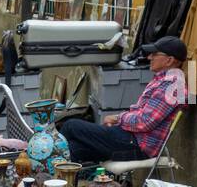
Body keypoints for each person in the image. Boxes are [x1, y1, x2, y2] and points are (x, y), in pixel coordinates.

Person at [61, 36, 188, 165]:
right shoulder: (164, 81)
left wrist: (117, 118)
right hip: (130, 138)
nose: (149, 57)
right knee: (74, 147)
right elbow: (140, 113)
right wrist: (119, 119)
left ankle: (49, 177)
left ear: (169, 60)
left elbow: (145, 121)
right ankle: (61, 182)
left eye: (155, 54)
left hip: (137, 145)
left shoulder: (171, 86)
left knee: (71, 126)